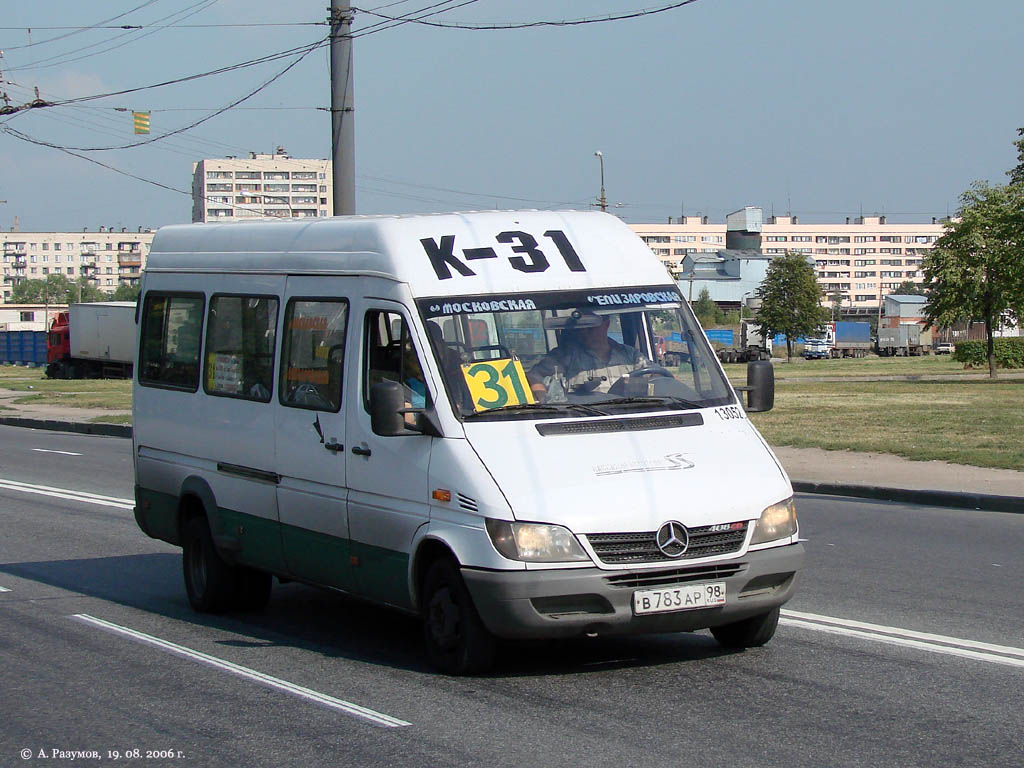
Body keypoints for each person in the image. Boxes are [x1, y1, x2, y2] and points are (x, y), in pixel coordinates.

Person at [528, 310, 649, 401]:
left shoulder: (631, 355)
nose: (584, 331)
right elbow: (534, 377)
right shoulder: (566, 355)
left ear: (606, 325)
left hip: (629, 412)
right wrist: (544, 401)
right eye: (582, 327)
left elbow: (656, 375)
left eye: (591, 327)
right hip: (581, 418)